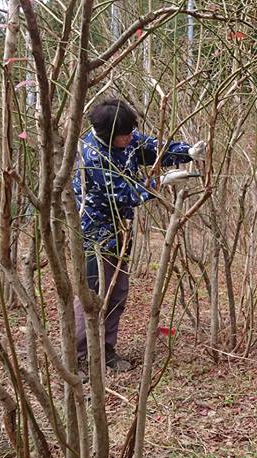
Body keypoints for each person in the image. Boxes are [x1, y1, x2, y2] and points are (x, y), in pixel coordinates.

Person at [72, 98, 205, 371]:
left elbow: (152, 148)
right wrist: (161, 182)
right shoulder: (94, 154)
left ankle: (106, 350)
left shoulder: (126, 136)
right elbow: (124, 193)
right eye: (125, 134)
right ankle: (80, 357)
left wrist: (188, 152)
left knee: (117, 290)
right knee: (94, 293)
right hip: (95, 234)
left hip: (121, 229)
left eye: (132, 131)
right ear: (108, 134)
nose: (131, 137)